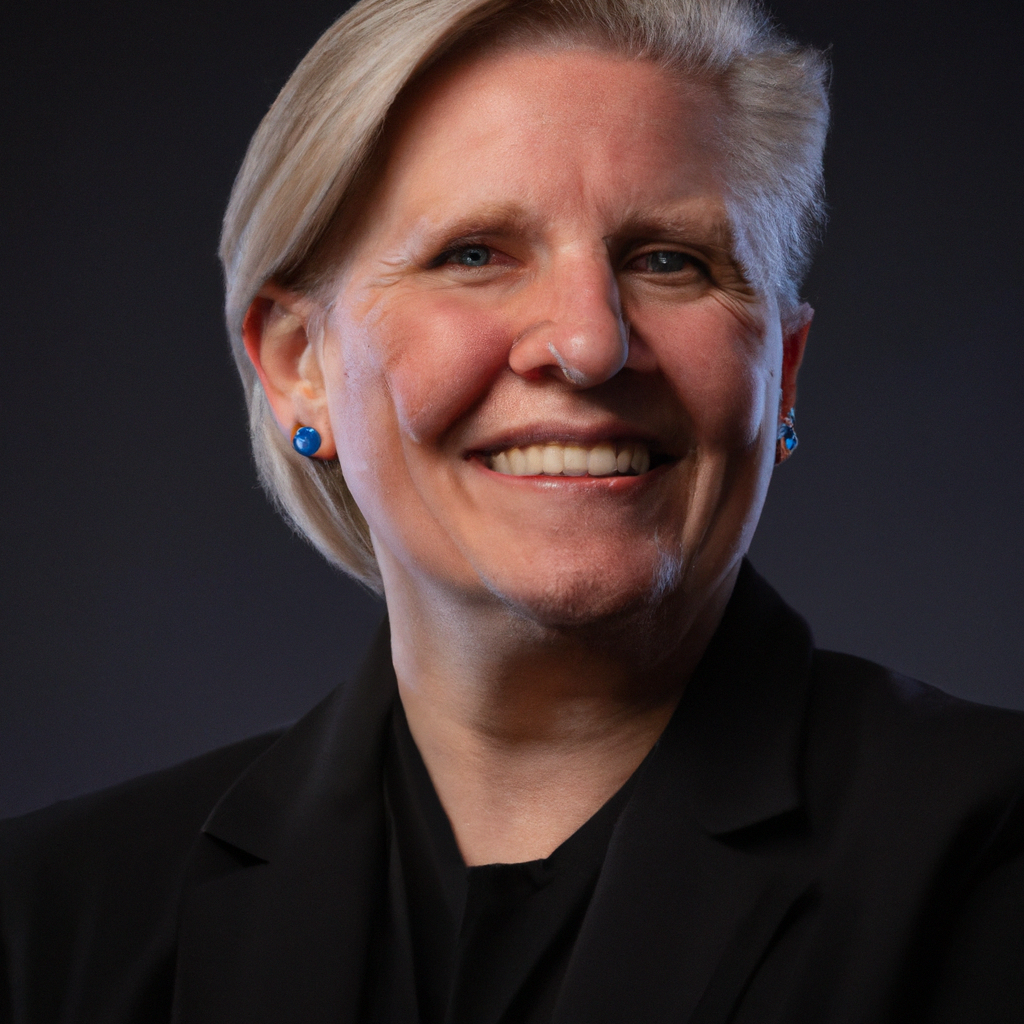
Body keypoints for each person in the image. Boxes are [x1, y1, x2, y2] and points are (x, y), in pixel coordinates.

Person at [2, 0, 1022, 1021]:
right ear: (297, 364)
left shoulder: (990, 859)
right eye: (475, 254)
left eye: (669, 259)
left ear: (781, 373)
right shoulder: (49, 920)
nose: (588, 344)